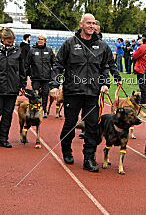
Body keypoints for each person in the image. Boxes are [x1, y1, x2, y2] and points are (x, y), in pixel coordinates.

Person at [50, 14, 121, 172]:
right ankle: (66, 148)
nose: (91, 25)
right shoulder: (69, 43)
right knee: (70, 123)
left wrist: (105, 83)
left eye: (93, 23)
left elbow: (106, 67)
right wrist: (55, 85)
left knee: (92, 125)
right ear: (81, 24)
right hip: (72, 92)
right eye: (88, 23)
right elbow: (57, 65)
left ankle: (89, 158)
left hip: (92, 93)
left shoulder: (102, 46)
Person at [25, 34, 55, 118]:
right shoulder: (32, 51)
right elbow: (27, 64)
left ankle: (44, 111)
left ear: (45, 41)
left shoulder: (49, 50)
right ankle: (33, 110)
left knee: (45, 95)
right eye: (38, 39)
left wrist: (54, 75)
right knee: (34, 95)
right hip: (35, 78)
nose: (40, 41)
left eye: (41, 39)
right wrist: (27, 75)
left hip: (46, 78)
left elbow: (54, 64)